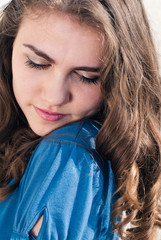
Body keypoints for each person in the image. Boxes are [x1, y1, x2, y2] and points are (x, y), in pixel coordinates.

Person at [0, 0, 160, 239]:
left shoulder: (68, 154)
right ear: (9, 47)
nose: (54, 97)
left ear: (119, 82)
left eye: (87, 77)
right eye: (37, 63)